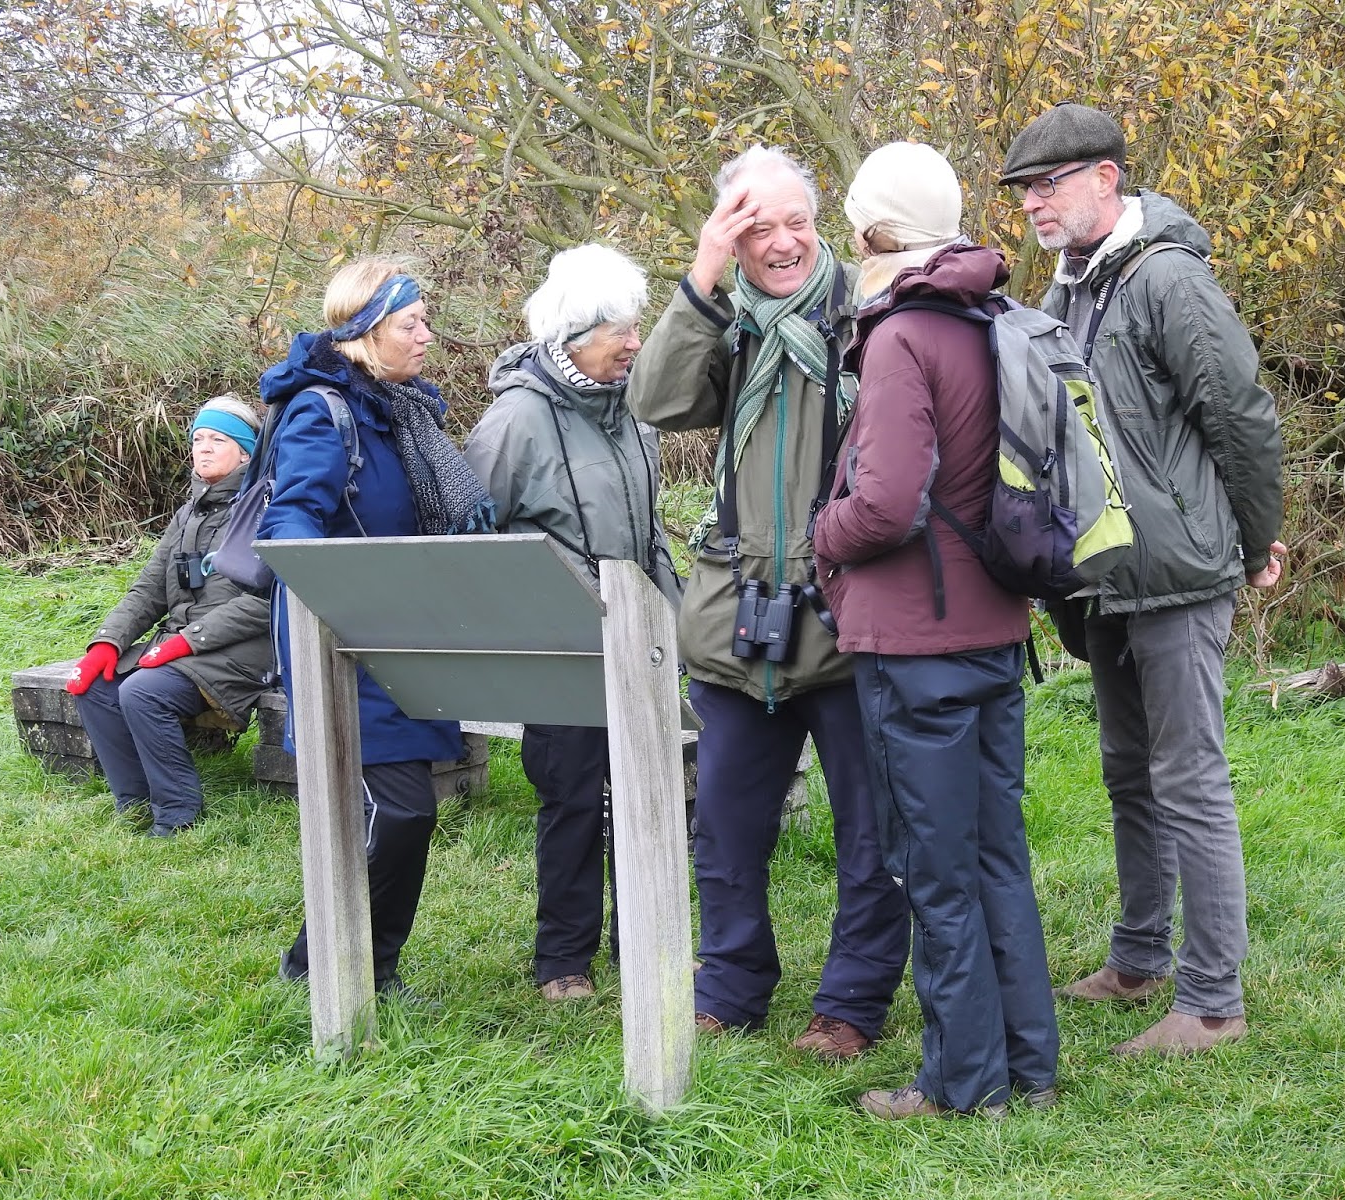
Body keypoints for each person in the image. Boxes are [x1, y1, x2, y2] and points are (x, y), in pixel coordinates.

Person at [999, 103, 1287, 1055]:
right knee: (1128, 770)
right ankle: (1138, 960)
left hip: (1179, 571)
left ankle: (1211, 1002)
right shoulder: (1068, 288)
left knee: (1189, 777)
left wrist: (1255, 540)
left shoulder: (1166, 277)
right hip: (1105, 576)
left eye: (1048, 184)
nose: (1033, 204)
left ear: (1107, 178)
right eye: (1024, 191)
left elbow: (1240, 416)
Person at [627, 145, 909, 1059]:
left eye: (798, 221)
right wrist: (703, 274)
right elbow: (656, 400)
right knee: (726, 830)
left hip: (851, 615)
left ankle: (851, 1003)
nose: (782, 242)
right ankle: (731, 985)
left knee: (872, 832)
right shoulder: (728, 325)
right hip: (739, 616)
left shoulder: (869, 313)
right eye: (756, 228)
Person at [813, 142, 1060, 1119]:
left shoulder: (901, 336)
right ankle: (1026, 1069)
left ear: (877, 230)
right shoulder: (989, 317)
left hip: (916, 644)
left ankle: (961, 1084)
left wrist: (818, 534)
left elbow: (883, 506)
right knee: (997, 855)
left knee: (934, 867)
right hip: (995, 626)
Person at [261, 257, 496, 1001]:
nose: (427, 336)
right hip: (345, 642)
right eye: (411, 323)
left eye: (426, 321)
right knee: (395, 811)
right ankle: (325, 965)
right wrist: (335, 595)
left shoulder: (406, 414)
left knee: (407, 813)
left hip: (404, 635)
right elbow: (291, 519)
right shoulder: (322, 411)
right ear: (365, 331)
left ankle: (363, 965)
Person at [463, 243, 681, 1004]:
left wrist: (672, 614)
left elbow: (647, 526)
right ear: (573, 334)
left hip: (639, 638)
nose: (634, 343)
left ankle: (644, 939)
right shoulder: (515, 421)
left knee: (648, 791)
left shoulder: (634, 412)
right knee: (574, 799)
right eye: (619, 330)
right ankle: (563, 960)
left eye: (636, 327)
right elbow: (475, 535)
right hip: (560, 644)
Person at [67, 394, 273, 837]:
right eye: (198, 439)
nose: (204, 448)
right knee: (96, 686)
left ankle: (177, 813)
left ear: (245, 453)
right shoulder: (187, 515)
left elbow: (265, 601)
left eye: (218, 440)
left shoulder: (265, 509)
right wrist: (107, 643)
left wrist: (187, 641)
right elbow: (148, 590)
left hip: (244, 652)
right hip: (185, 647)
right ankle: (135, 803)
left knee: (143, 692)